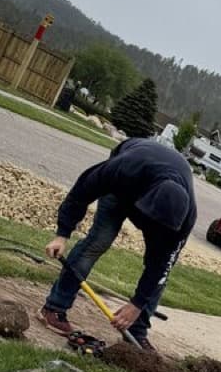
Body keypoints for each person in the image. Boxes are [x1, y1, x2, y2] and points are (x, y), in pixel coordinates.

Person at [38, 137, 197, 350]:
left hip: (158, 198)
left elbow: (161, 268)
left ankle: (136, 331)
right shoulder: (125, 169)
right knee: (98, 242)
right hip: (125, 187)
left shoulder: (184, 219)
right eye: (150, 222)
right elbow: (83, 190)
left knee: (159, 270)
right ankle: (54, 308)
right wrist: (62, 234)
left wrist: (138, 303)